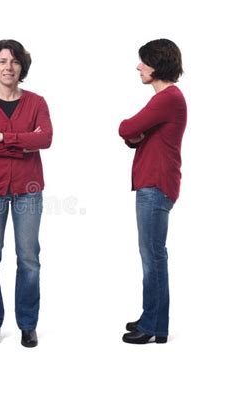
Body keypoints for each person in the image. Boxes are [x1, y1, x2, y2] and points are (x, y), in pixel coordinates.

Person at [0, 39, 52, 347]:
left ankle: (28, 324)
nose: (8, 67)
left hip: (28, 192)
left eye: (14, 62)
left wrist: (3, 138)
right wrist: (22, 145)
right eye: (3, 61)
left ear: (22, 67)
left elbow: (46, 140)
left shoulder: (37, 102)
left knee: (29, 259)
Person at [119, 39, 187, 344]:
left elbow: (126, 128)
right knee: (151, 255)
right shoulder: (165, 100)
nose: (138, 66)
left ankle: (154, 326)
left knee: (153, 257)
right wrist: (136, 134)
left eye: (144, 61)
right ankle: (152, 317)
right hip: (154, 183)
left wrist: (133, 131)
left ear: (157, 64)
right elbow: (134, 137)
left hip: (156, 184)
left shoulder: (167, 98)